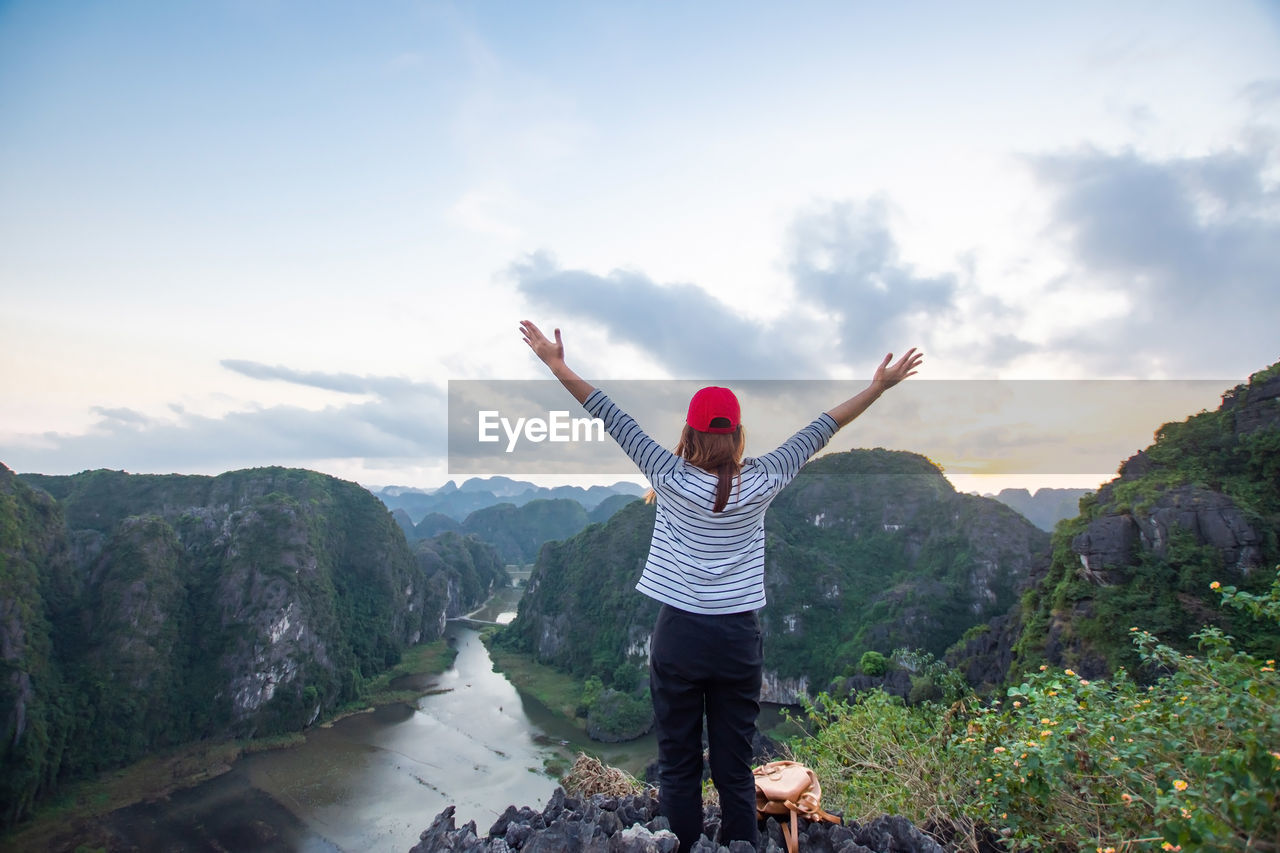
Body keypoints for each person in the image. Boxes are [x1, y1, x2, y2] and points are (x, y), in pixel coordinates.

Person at [519, 320, 922, 852]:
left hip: (679, 638)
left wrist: (556, 363)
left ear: (687, 434)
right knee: (734, 767)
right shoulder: (765, 478)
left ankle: (684, 847)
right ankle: (737, 847)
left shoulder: (665, 472)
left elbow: (607, 412)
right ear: (736, 435)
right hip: (737, 641)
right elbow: (824, 427)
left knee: (679, 764)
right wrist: (877, 387)